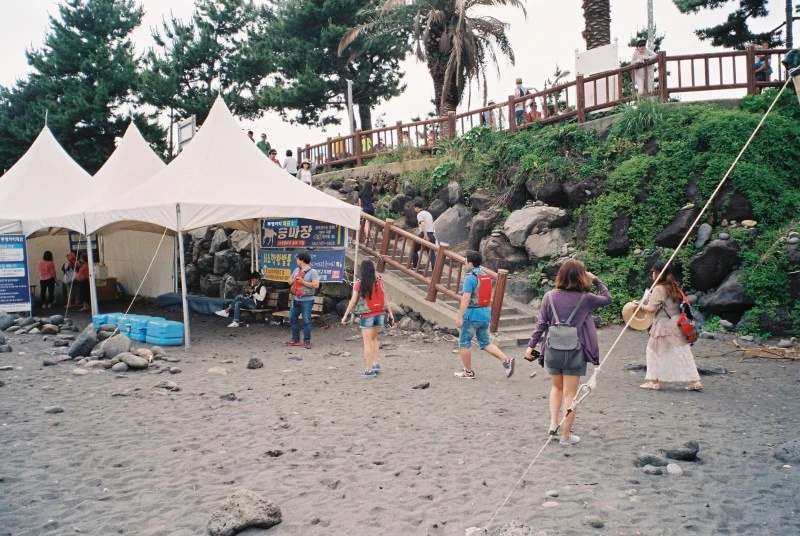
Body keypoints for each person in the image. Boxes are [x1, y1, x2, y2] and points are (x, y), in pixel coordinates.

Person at [525, 259, 612, 445]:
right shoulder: (586, 298)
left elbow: (541, 324)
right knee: (570, 395)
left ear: (561, 275)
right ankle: (565, 436)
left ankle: (553, 422)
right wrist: (595, 279)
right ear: (581, 276)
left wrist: (530, 346)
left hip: (552, 349)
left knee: (556, 388)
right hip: (575, 351)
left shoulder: (549, 296)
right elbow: (608, 298)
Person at [637, 261, 703, 392]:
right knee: (683, 352)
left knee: (652, 351)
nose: (652, 274)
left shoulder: (659, 289)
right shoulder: (674, 286)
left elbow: (651, 308)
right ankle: (696, 381)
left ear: (658, 273)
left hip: (663, 325)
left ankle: (654, 382)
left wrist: (641, 306)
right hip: (677, 323)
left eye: (653, 272)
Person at [453, 251, 515, 380]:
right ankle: (506, 360)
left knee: (464, 342)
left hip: (472, 314)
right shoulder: (485, 275)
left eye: (465, 261)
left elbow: (466, 298)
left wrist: (459, 316)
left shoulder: (470, 278)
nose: (465, 263)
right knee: (485, 343)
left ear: (470, 263)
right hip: (485, 313)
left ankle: (468, 372)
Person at [341, 259, 394, 378]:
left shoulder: (359, 284)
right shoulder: (379, 282)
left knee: (367, 343)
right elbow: (385, 300)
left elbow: (353, 301)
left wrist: (345, 315)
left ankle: (369, 370)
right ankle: (376, 363)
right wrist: (390, 313)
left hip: (367, 315)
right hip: (380, 313)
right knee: (374, 339)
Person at [286, 253, 320, 349]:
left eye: (297, 259)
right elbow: (289, 281)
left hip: (307, 300)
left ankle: (307, 340)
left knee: (306, 321)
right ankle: (295, 339)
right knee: (292, 318)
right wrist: (294, 279)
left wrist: (303, 282)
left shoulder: (313, 272)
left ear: (302, 260)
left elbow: (316, 285)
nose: (296, 261)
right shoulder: (296, 270)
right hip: (295, 299)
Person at [411, 200, 437, 270]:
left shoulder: (419, 214)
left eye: (414, 208)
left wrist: (425, 235)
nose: (414, 209)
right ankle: (434, 269)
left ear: (416, 208)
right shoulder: (428, 213)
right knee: (431, 252)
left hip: (425, 234)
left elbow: (423, 224)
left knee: (414, 249)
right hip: (431, 234)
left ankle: (415, 266)